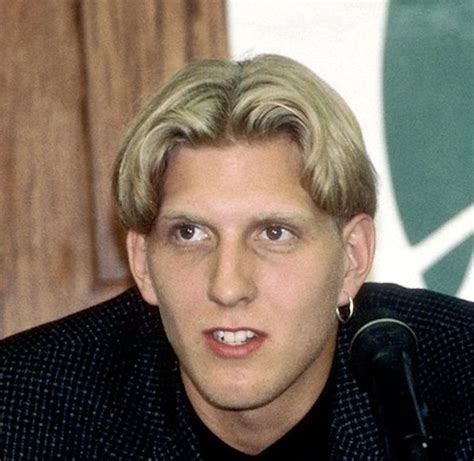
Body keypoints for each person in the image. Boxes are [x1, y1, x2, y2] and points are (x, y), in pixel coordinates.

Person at [0, 54, 472, 460]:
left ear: (351, 257)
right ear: (142, 263)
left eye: (274, 233)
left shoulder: (460, 382)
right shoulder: (23, 409)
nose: (227, 286)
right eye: (189, 233)